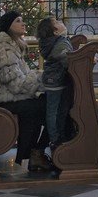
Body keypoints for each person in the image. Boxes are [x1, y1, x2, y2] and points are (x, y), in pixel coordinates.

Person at [0, 10, 52, 172]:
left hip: (12, 98)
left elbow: (24, 76)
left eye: (22, 20)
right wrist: (44, 80)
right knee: (49, 107)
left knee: (46, 103)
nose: (23, 24)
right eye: (18, 21)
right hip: (5, 101)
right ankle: (34, 153)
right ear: (8, 27)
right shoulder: (5, 50)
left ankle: (33, 153)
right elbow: (16, 85)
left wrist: (41, 80)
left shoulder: (13, 46)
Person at [37, 16, 77, 149]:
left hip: (53, 79)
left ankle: (58, 137)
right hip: (56, 81)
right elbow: (68, 61)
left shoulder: (58, 41)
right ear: (55, 32)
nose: (61, 22)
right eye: (57, 22)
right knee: (54, 111)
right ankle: (55, 139)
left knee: (56, 110)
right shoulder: (60, 43)